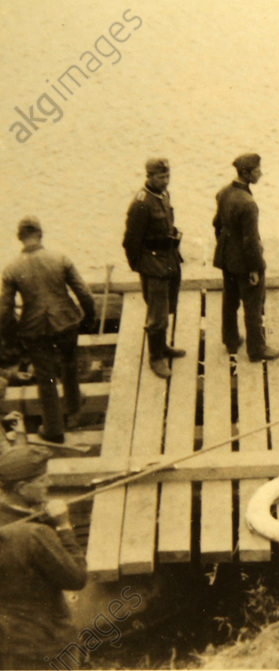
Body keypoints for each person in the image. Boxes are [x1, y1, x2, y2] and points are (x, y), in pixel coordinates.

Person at [0, 217, 95, 443]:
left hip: (35, 328)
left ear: (20, 237)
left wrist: (11, 337)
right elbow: (84, 293)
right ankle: (73, 405)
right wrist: (88, 318)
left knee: (46, 379)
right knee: (69, 365)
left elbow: (5, 310)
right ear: (41, 234)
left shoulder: (11, 269)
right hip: (66, 322)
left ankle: (54, 430)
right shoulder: (60, 258)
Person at [0, 446, 88, 669]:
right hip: (47, 644)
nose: (48, 483)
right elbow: (77, 578)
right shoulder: (34, 534)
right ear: (20, 487)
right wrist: (63, 525)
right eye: (41, 480)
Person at [212, 153, 279, 362]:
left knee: (230, 299)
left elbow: (217, 225)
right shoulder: (248, 204)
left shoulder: (223, 193)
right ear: (246, 173)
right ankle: (256, 349)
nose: (260, 173)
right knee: (253, 305)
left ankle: (230, 339)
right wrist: (254, 269)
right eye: (257, 170)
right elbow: (251, 242)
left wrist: (227, 249)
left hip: (226, 258)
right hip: (244, 263)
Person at [123, 157, 186, 379]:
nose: (166, 180)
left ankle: (163, 346)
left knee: (167, 306)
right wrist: (142, 267)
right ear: (149, 176)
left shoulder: (163, 195)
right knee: (157, 314)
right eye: (161, 177)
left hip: (169, 260)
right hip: (154, 266)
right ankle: (155, 357)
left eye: (167, 176)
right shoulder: (141, 203)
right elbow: (130, 241)